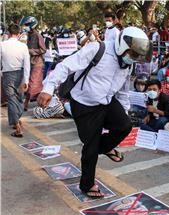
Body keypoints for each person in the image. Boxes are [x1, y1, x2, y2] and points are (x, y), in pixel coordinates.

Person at [37, 27, 152, 198]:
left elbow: (122, 91)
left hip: (106, 100)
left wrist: (124, 111)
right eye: (133, 54)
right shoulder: (97, 49)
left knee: (125, 125)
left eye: (137, 56)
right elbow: (65, 66)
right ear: (123, 46)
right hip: (85, 103)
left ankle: (105, 147)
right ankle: (87, 184)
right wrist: (48, 88)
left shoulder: (127, 65)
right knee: (90, 145)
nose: (134, 58)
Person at [0, 24, 30, 137]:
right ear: (18, 34)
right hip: (21, 74)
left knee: (12, 100)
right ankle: (16, 120)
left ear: (8, 33)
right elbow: (27, 64)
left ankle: (17, 127)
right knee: (19, 99)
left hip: (8, 74)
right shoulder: (23, 46)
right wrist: (26, 80)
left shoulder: (2, 45)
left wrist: (1, 73)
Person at [19, 16, 46, 111]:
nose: (24, 27)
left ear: (32, 25)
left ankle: (26, 103)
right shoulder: (29, 35)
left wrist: (30, 50)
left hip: (37, 63)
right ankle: (41, 103)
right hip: (30, 62)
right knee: (32, 83)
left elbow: (43, 49)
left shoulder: (38, 35)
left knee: (32, 84)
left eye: (26, 25)